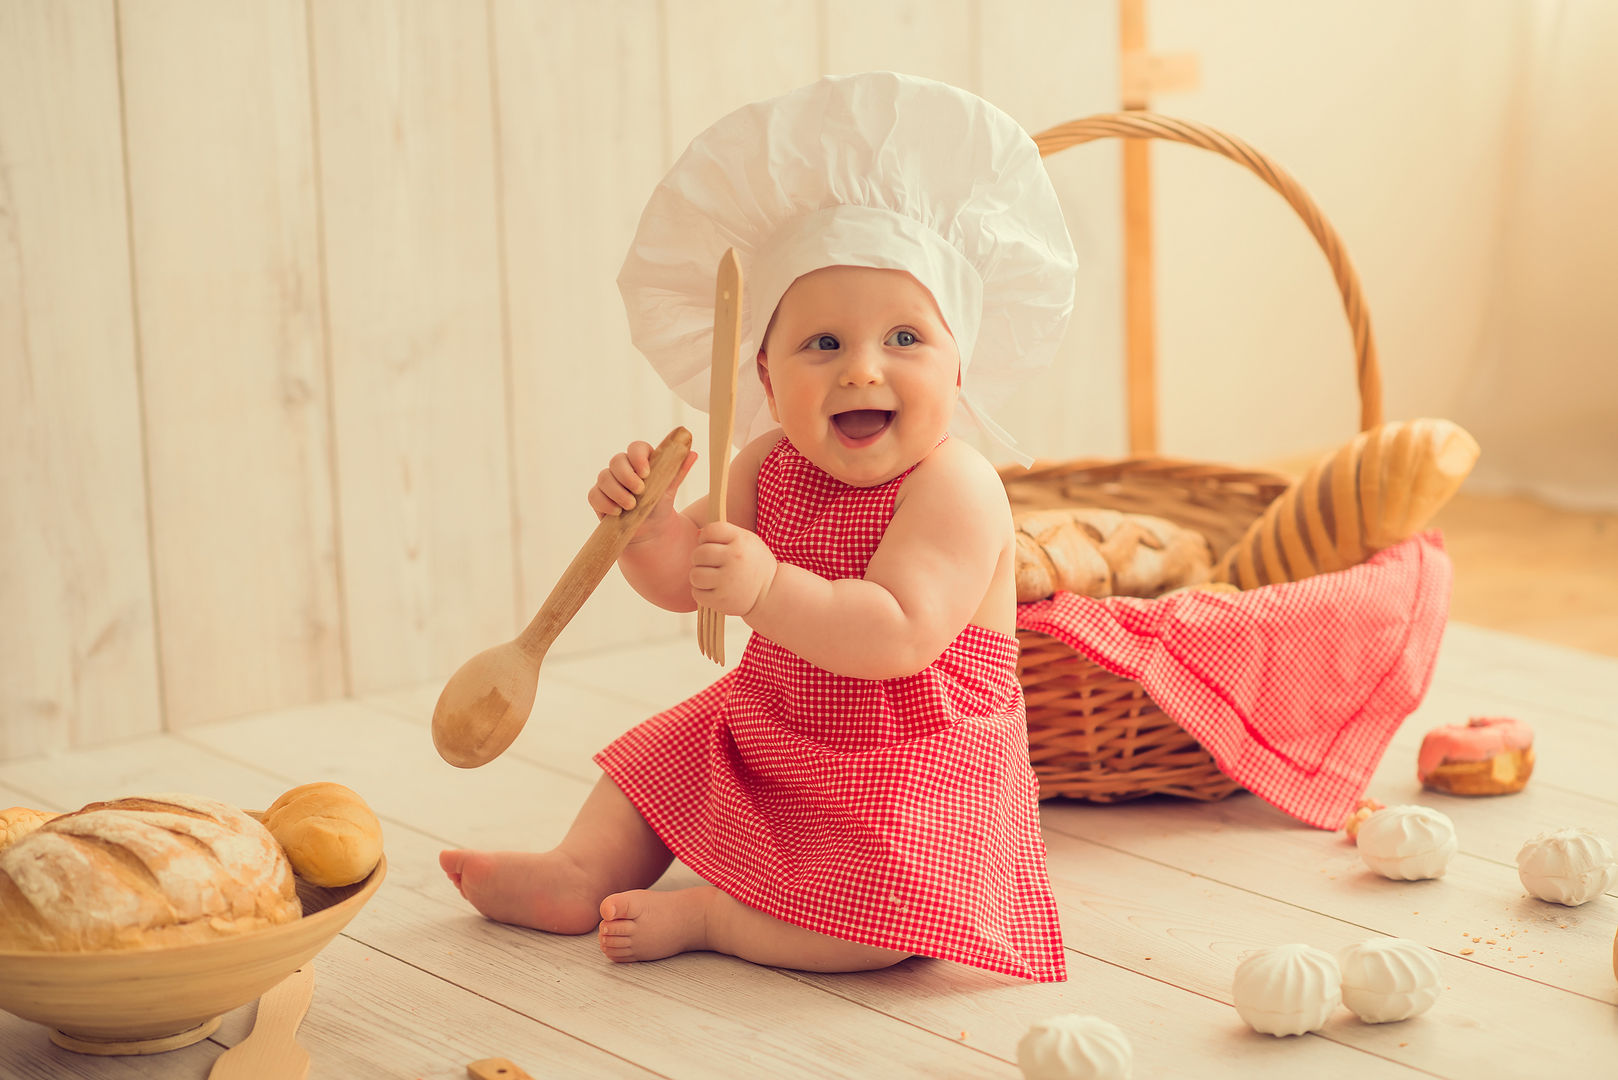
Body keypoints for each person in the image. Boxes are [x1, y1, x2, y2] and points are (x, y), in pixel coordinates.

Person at [440, 71, 1078, 982]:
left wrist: (768, 588)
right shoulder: (766, 464)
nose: (862, 370)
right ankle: (581, 870)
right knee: (665, 755)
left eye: (905, 339)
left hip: (912, 761)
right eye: (823, 344)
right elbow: (683, 582)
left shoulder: (957, 486)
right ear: (770, 382)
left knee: (896, 920)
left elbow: (898, 633)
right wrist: (648, 527)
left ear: (961, 371)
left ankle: (720, 919)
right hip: (779, 721)